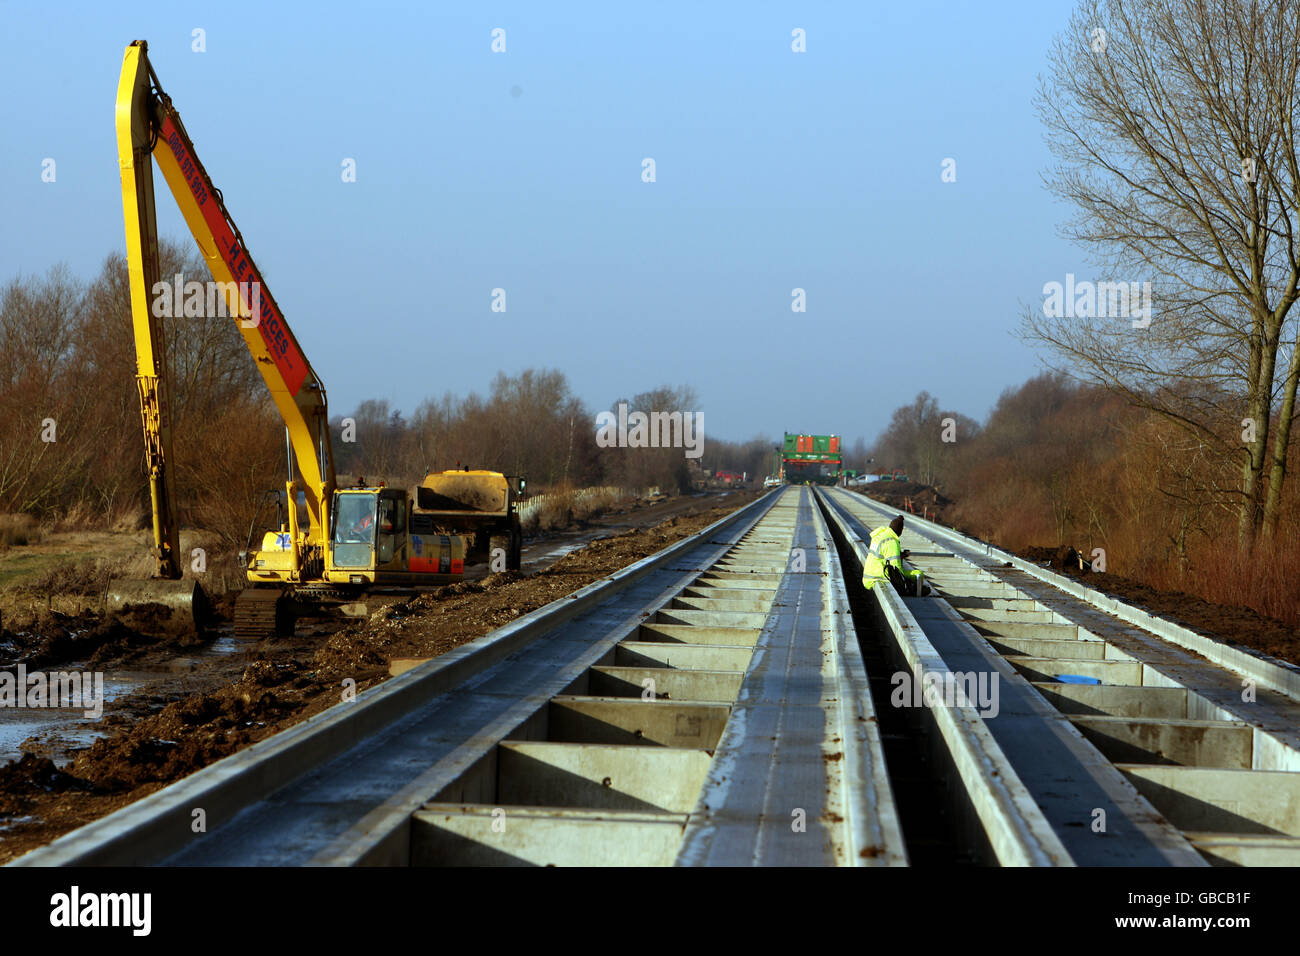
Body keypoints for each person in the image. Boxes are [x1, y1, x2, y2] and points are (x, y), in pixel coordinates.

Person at [863, 514, 929, 596]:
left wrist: (900, 555)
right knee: (918, 574)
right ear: (901, 530)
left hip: (869, 577)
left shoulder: (881, 536)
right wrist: (908, 582)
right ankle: (915, 591)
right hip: (879, 577)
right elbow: (897, 571)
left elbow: (884, 555)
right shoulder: (892, 542)